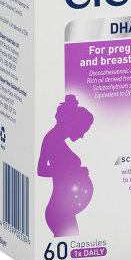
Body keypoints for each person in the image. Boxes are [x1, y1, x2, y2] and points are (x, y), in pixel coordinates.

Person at [38, 95, 94, 237]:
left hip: (64, 209)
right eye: (82, 129)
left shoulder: (57, 139)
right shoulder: (52, 139)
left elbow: (63, 169)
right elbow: (41, 170)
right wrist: (74, 171)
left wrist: (75, 172)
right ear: (73, 123)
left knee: (72, 240)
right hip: (58, 210)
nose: (82, 135)